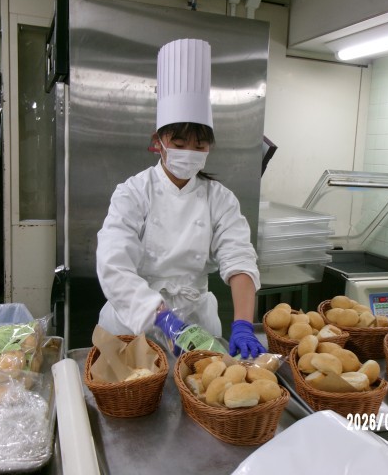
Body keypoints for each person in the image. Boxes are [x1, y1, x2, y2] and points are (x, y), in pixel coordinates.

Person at [96, 39, 265, 358]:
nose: (189, 152)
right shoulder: (133, 192)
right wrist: (162, 317)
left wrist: (243, 323)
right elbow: (113, 262)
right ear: (158, 142)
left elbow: (239, 257)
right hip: (133, 325)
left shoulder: (220, 199)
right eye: (179, 143)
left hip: (197, 326)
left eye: (199, 146)